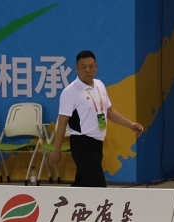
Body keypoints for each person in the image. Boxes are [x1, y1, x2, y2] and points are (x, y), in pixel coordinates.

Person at [48, 51, 143, 188]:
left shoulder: (100, 85)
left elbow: (109, 112)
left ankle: (69, 200)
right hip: (82, 143)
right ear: (76, 68)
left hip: (97, 142)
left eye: (91, 66)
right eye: (83, 67)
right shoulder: (70, 92)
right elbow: (62, 122)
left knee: (82, 183)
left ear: (96, 67)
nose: (88, 70)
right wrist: (56, 150)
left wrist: (130, 124)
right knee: (97, 186)